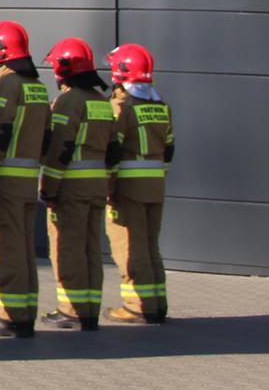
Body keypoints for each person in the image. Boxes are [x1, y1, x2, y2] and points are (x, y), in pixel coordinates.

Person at [0, 21, 51, 339]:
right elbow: (47, 139)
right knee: (24, 249)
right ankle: (25, 313)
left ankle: (10, 315)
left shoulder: (4, 88)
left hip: (5, 180)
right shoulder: (38, 88)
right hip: (28, 180)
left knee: (6, 248)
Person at [40, 37, 120, 332]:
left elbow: (61, 147)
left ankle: (71, 309)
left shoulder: (67, 102)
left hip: (71, 186)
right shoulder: (102, 102)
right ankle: (89, 310)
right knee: (90, 248)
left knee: (68, 248)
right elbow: (113, 150)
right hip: (97, 186)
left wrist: (49, 187)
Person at [105, 43, 173, 325]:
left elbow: (114, 152)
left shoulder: (122, 108)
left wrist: (108, 187)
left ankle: (136, 305)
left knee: (129, 248)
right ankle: (157, 304)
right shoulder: (162, 107)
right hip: (155, 187)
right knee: (150, 245)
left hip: (127, 189)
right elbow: (169, 150)